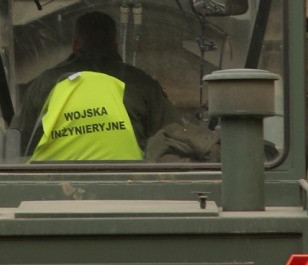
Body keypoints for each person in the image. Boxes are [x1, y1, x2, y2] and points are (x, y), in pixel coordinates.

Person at [10, 11, 180, 161]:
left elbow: (18, 143)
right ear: (115, 47)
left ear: (75, 46)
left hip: (50, 189)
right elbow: (176, 139)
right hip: (129, 186)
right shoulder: (143, 84)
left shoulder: (45, 83)